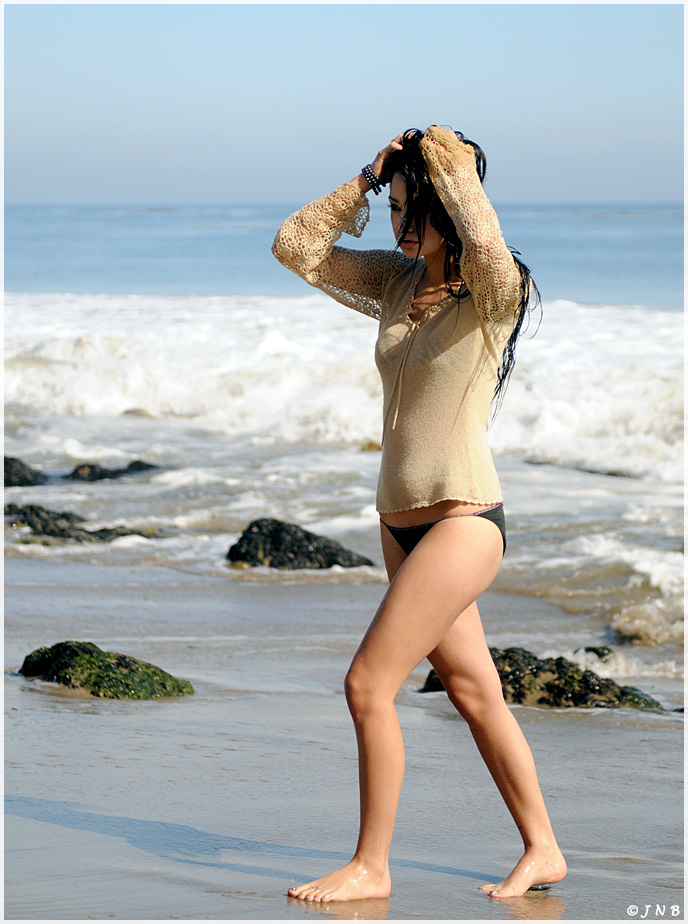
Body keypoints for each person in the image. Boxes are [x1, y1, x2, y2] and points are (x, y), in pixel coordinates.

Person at [271, 125, 566, 902]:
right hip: (398, 523)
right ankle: (544, 848)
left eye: (417, 212)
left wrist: (447, 161)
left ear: (454, 208)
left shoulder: (494, 295)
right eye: (397, 210)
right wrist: (370, 176)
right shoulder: (395, 282)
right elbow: (295, 246)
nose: (404, 229)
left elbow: (484, 239)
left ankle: (372, 865)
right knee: (474, 693)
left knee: (368, 685)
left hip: (464, 520)